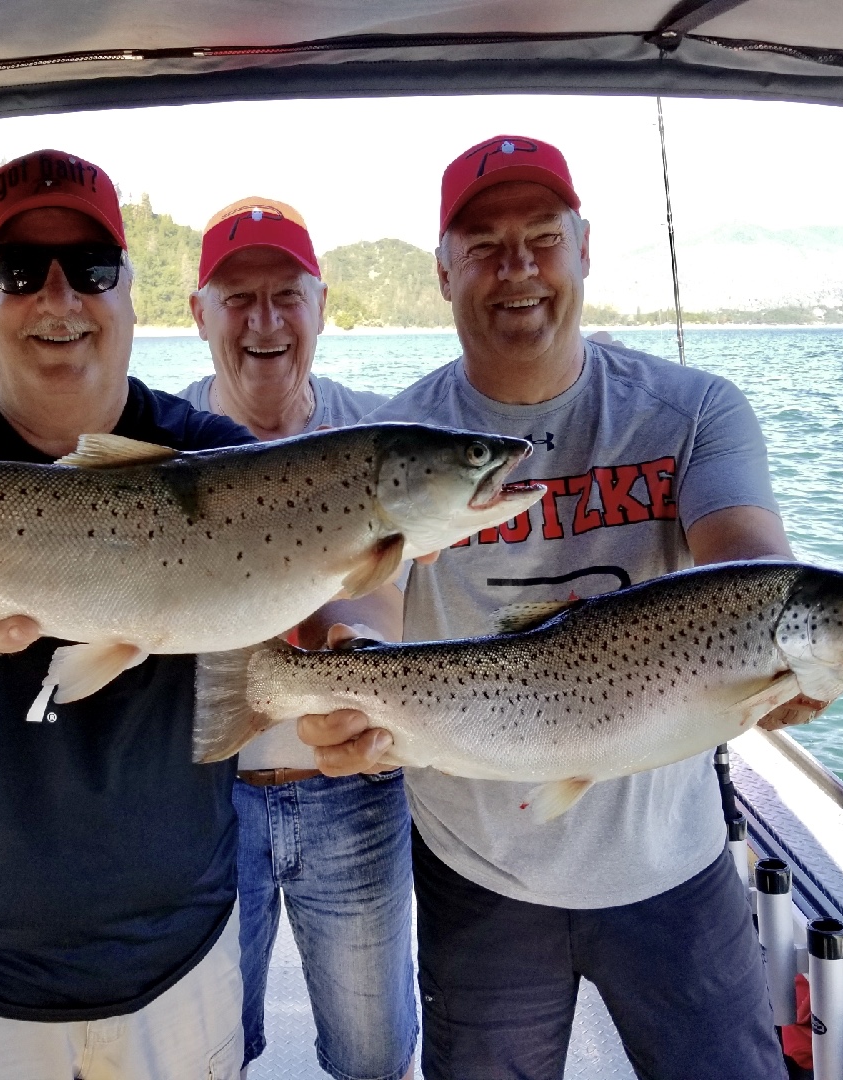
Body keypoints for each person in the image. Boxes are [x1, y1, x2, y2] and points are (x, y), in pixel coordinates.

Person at [300, 136, 811, 1079]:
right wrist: (344, 676)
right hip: (478, 874)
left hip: (675, 864)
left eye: (542, 238)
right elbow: (365, 607)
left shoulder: (694, 412)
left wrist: (793, 649)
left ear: (584, 249)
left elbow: (750, 559)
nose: (518, 269)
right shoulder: (389, 448)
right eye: (485, 246)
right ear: (444, 269)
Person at [0, 149, 255, 1080]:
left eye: (92, 268)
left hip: (176, 961)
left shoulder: (218, 462)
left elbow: (299, 613)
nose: (60, 298)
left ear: (132, 294)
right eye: (22, 270)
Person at [179, 197, 418, 1080]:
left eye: (287, 295)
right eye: (238, 299)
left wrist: (347, 653)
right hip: (200, 795)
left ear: (322, 305)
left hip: (352, 794)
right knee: (209, 1048)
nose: (265, 322)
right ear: (198, 313)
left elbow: (383, 602)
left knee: (373, 1054)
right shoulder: (156, 444)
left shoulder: (381, 436)